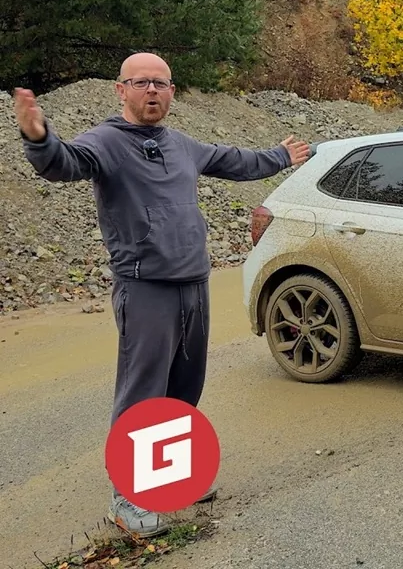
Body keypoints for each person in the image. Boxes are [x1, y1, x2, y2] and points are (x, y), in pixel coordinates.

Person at [13, 52, 310, 537]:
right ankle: (128, 496)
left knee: (183, 390)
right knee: (143, 392)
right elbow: (63, 164)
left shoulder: (180, 144)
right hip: (144, 286)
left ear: (172, 91)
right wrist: (38, 137)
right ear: (121, 90)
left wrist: (280, 156)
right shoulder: (105, 142)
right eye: (141, 82)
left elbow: (233, 160)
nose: (152, 91)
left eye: (161, 83)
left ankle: (168, 478)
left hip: (193, 282)